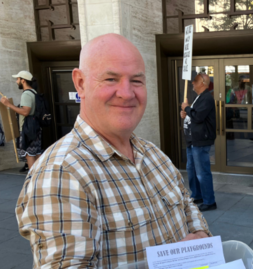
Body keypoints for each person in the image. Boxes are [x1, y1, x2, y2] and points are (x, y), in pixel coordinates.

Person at [16, 34, 211, 268]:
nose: (127, 93)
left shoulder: (153, 154)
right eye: (110, 79)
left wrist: (200, 235)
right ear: (80, 83)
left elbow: (187, 204)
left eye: (137, 81)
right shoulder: (61, 172)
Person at [181, 73, 217, 212]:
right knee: (192, 170)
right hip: (192, 140)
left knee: (202, 171)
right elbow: (194, 114)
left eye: (194, 81)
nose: (192, 83)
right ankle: (197, 196)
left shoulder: (206, 98)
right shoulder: (199, 98)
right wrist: (185, 113)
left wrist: (186, 108)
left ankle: (209, 201)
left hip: (201, 140)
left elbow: (198, 116)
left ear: (202, 82)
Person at [0, 71, 42, 169]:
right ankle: (39, 177)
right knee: (36, 152)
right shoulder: (34, 92)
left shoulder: (26, 94)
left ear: (23, 80)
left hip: (28, 129)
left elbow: (25, 112)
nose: (16, 81)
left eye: (17, 79)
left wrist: (8, 105)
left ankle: (32, 178)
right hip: (35, 127)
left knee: (29, 153)